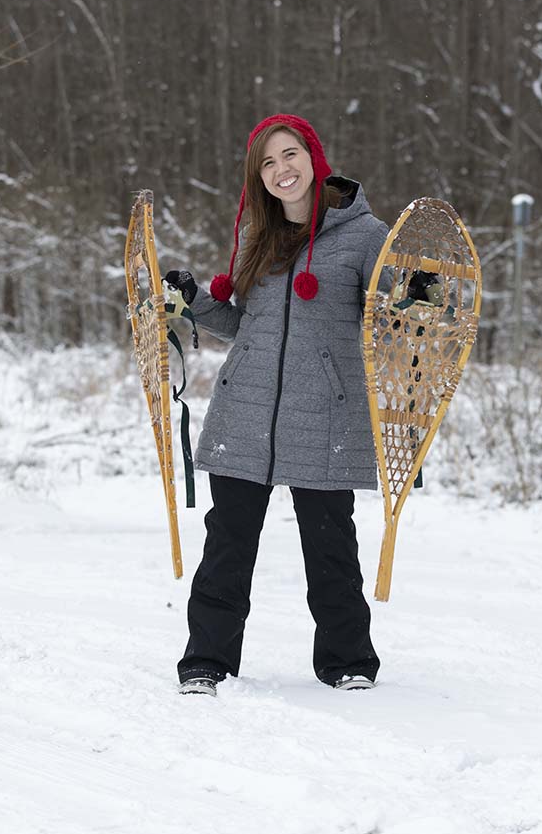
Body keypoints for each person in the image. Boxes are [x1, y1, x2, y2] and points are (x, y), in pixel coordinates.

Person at [165, 113, 391, 697]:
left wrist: (419, 296)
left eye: (289, 155)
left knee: (330, 548)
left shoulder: (367, 238)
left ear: (315, 158)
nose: (280, 169)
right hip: (245, 412)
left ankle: (348, 663)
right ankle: (206, 662)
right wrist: (193, 302)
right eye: (267, 162)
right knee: (227, 546)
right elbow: (250, 327)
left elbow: (391, 321)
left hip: (326, 418)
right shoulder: (255, 235)